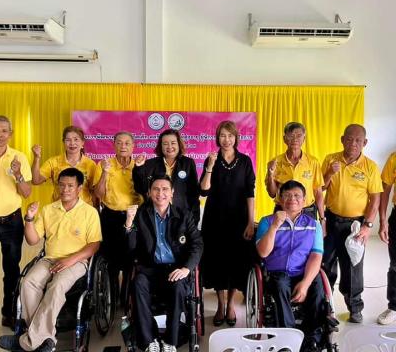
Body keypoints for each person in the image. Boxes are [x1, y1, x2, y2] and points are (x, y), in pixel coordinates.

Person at [0, 168, 102, 352]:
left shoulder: (89, 212)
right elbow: (32, 240)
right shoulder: (48, 209)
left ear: (79, 188)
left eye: (70, 186)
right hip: (49, 259)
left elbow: (94, 245)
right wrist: (29, 218)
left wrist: (70, 261)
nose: (65, 189)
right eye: (61, 185)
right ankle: (47, 339)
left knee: (57, 286)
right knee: (28, 283)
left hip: (76, 262)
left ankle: (28, 342)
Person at [125, 174, 203, 352]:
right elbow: (131, 248)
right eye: (156, 189)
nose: (160, 193)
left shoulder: (184, 215)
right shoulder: (141, 214)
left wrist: (186, 268)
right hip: (149, 269)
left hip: (175, 269)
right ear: (149, 192)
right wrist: (129, 224)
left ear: (172, 192)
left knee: (178, 288)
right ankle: (149, 340)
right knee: (137, 284)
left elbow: (197, 244)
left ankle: (170, 341)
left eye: (165, 189)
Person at [322, 124, 382, 323]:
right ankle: (325, 305)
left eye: (358, 140)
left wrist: (367, 225)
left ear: (365, 143)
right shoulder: (330, 159)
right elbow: (320, 188)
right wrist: (329, 173)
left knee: (353, 267)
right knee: (325, 263)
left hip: (355, 225)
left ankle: (355, 307)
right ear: (342, 140)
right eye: (349, 139)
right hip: (331, 220)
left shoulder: (370, 167)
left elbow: (375, 199)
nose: (353, 143)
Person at [256, 180, 325, 352]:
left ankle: (312, 339)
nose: (292, 199)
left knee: (317, 286)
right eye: (287, 195)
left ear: (304, 200)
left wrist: (305, 284)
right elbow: (263, 252)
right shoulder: (266, 222)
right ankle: (288, 339)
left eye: (296, 196)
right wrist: (274, 226)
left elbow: (316, 255)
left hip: (303, 272)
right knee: (280, 284)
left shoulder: (313, 225)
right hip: (278, 273)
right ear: (280, 199)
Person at [200, 120, 255, 327]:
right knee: (217, 261)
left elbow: (250, 192)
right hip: (215, 219)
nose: (226, 140)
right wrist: (210, 168)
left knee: (235, 261)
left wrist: (250, 221)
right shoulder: (211, 159)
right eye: (222, 135)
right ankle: (220, 304)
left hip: (238, 219)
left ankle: (231, 303)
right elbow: (204, 190)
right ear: (217, 138)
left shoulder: (245, 161)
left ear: (236, 138)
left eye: (230, 135)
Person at [93, 131, 143, 302]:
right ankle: (112, 298)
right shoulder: (104, 164)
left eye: (127, 143)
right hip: (110, 216)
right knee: (111, 259)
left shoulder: (139, 165)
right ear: (113, 145)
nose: (123, 146)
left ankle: (127, 298)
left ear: (133, 146)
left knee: (131, 258)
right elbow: (98, 195)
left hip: (134, 216)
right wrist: (105, 173)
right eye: (119, 143)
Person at [0, 115, 32, 328]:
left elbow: (26, 193)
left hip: (11, 221)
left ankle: (9, 312)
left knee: (11, 270)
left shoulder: (19, 157)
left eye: (3, 130)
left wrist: (18, 174)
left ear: (10, 134)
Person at [133, 129, 200, 225]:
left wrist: (194, 217)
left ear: (179, 144)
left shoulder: (188, 163)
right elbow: (141, 189)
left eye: (173, 143)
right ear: (161, 146)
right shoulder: (150, 164)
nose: (169, 147)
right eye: (165, 144)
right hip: (155, 216)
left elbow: (194, 193)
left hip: (181, 215)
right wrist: (139, 168)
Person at [265, 122, 325, 220]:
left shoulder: (313, 162)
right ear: (284, 139)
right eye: (291, 136)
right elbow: (272, 194)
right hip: (283, 210)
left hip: (308, 211)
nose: (295, 139)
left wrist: (322, 218)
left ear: (304, 139)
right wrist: (270, 174)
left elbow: (318, 193)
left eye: (299, 136)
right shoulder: (276, 162)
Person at [31, 125, 96, 205]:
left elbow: (94, 191)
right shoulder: (53, 162)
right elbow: (36, 180)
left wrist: (95, 210)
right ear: (63, 142)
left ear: (82, 142)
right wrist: (36, 158)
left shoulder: (90, 164)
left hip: (84, 209)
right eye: (68, 140)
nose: (72, 143)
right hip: (59, 208)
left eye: (76, 139)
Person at [377, 151, 396, 324]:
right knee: (395, 265)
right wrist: (383, 221)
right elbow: (385, 190)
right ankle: (394, 306)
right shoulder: (394, 158)